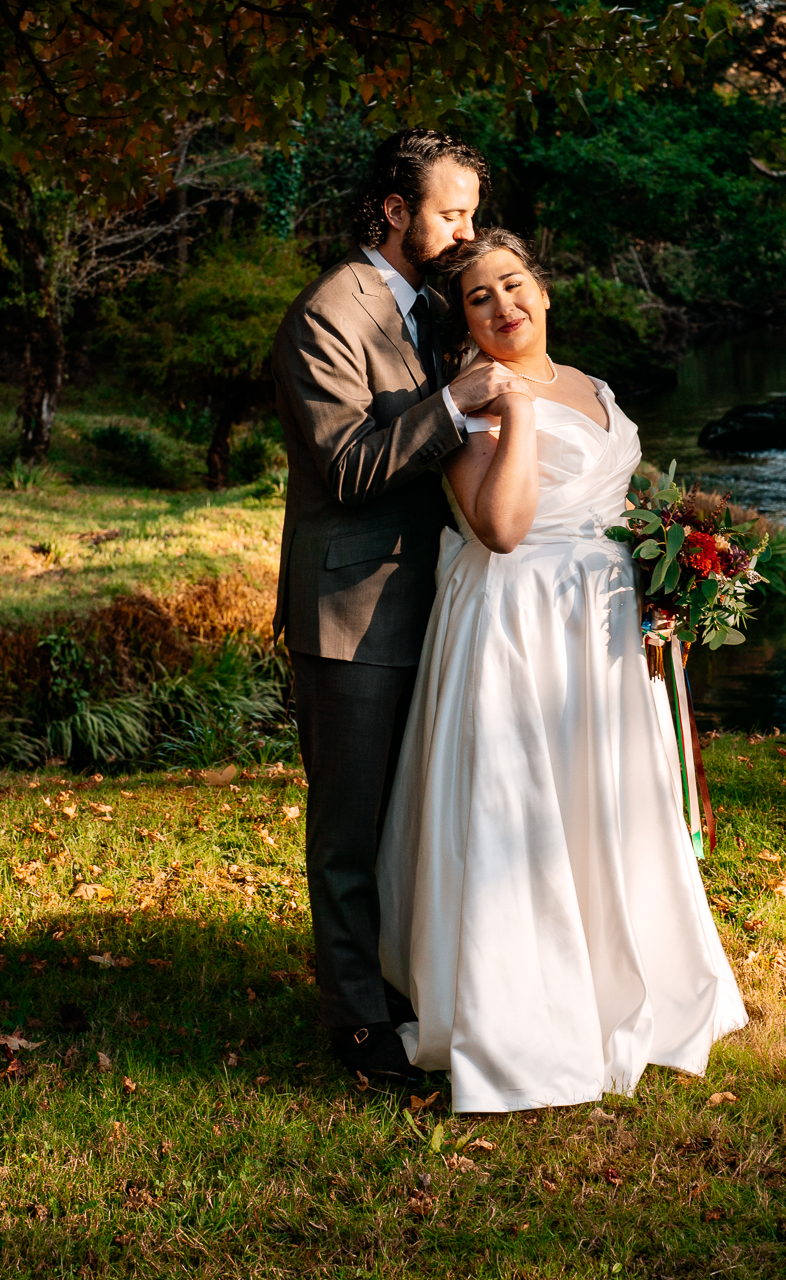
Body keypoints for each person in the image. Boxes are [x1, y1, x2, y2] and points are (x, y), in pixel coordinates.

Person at [376, 228, 749, 1113]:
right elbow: (500, 529)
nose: (503, 306)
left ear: (544, 293)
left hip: (605, 620)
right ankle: (524, 1014)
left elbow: (618, 496)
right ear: (464, 321)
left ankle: (624, 978)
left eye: (514, 286)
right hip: (521, 618)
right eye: (479, 298)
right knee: (523, 802)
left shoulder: (592, 385)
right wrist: (517, 417)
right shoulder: (472, 404)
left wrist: (676, 567)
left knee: (603, 794)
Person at [270, 129, 528, 1081]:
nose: (467, 228)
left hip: (450, 609)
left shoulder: (438, 307)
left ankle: (413, 985)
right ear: (393, 211)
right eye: (450, 211)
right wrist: (455, 405)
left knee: (420, 815)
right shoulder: (326, 317)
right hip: (354, 611)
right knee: (350, 829)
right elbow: (346, 467)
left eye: (470, 210)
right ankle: (358, 1025)